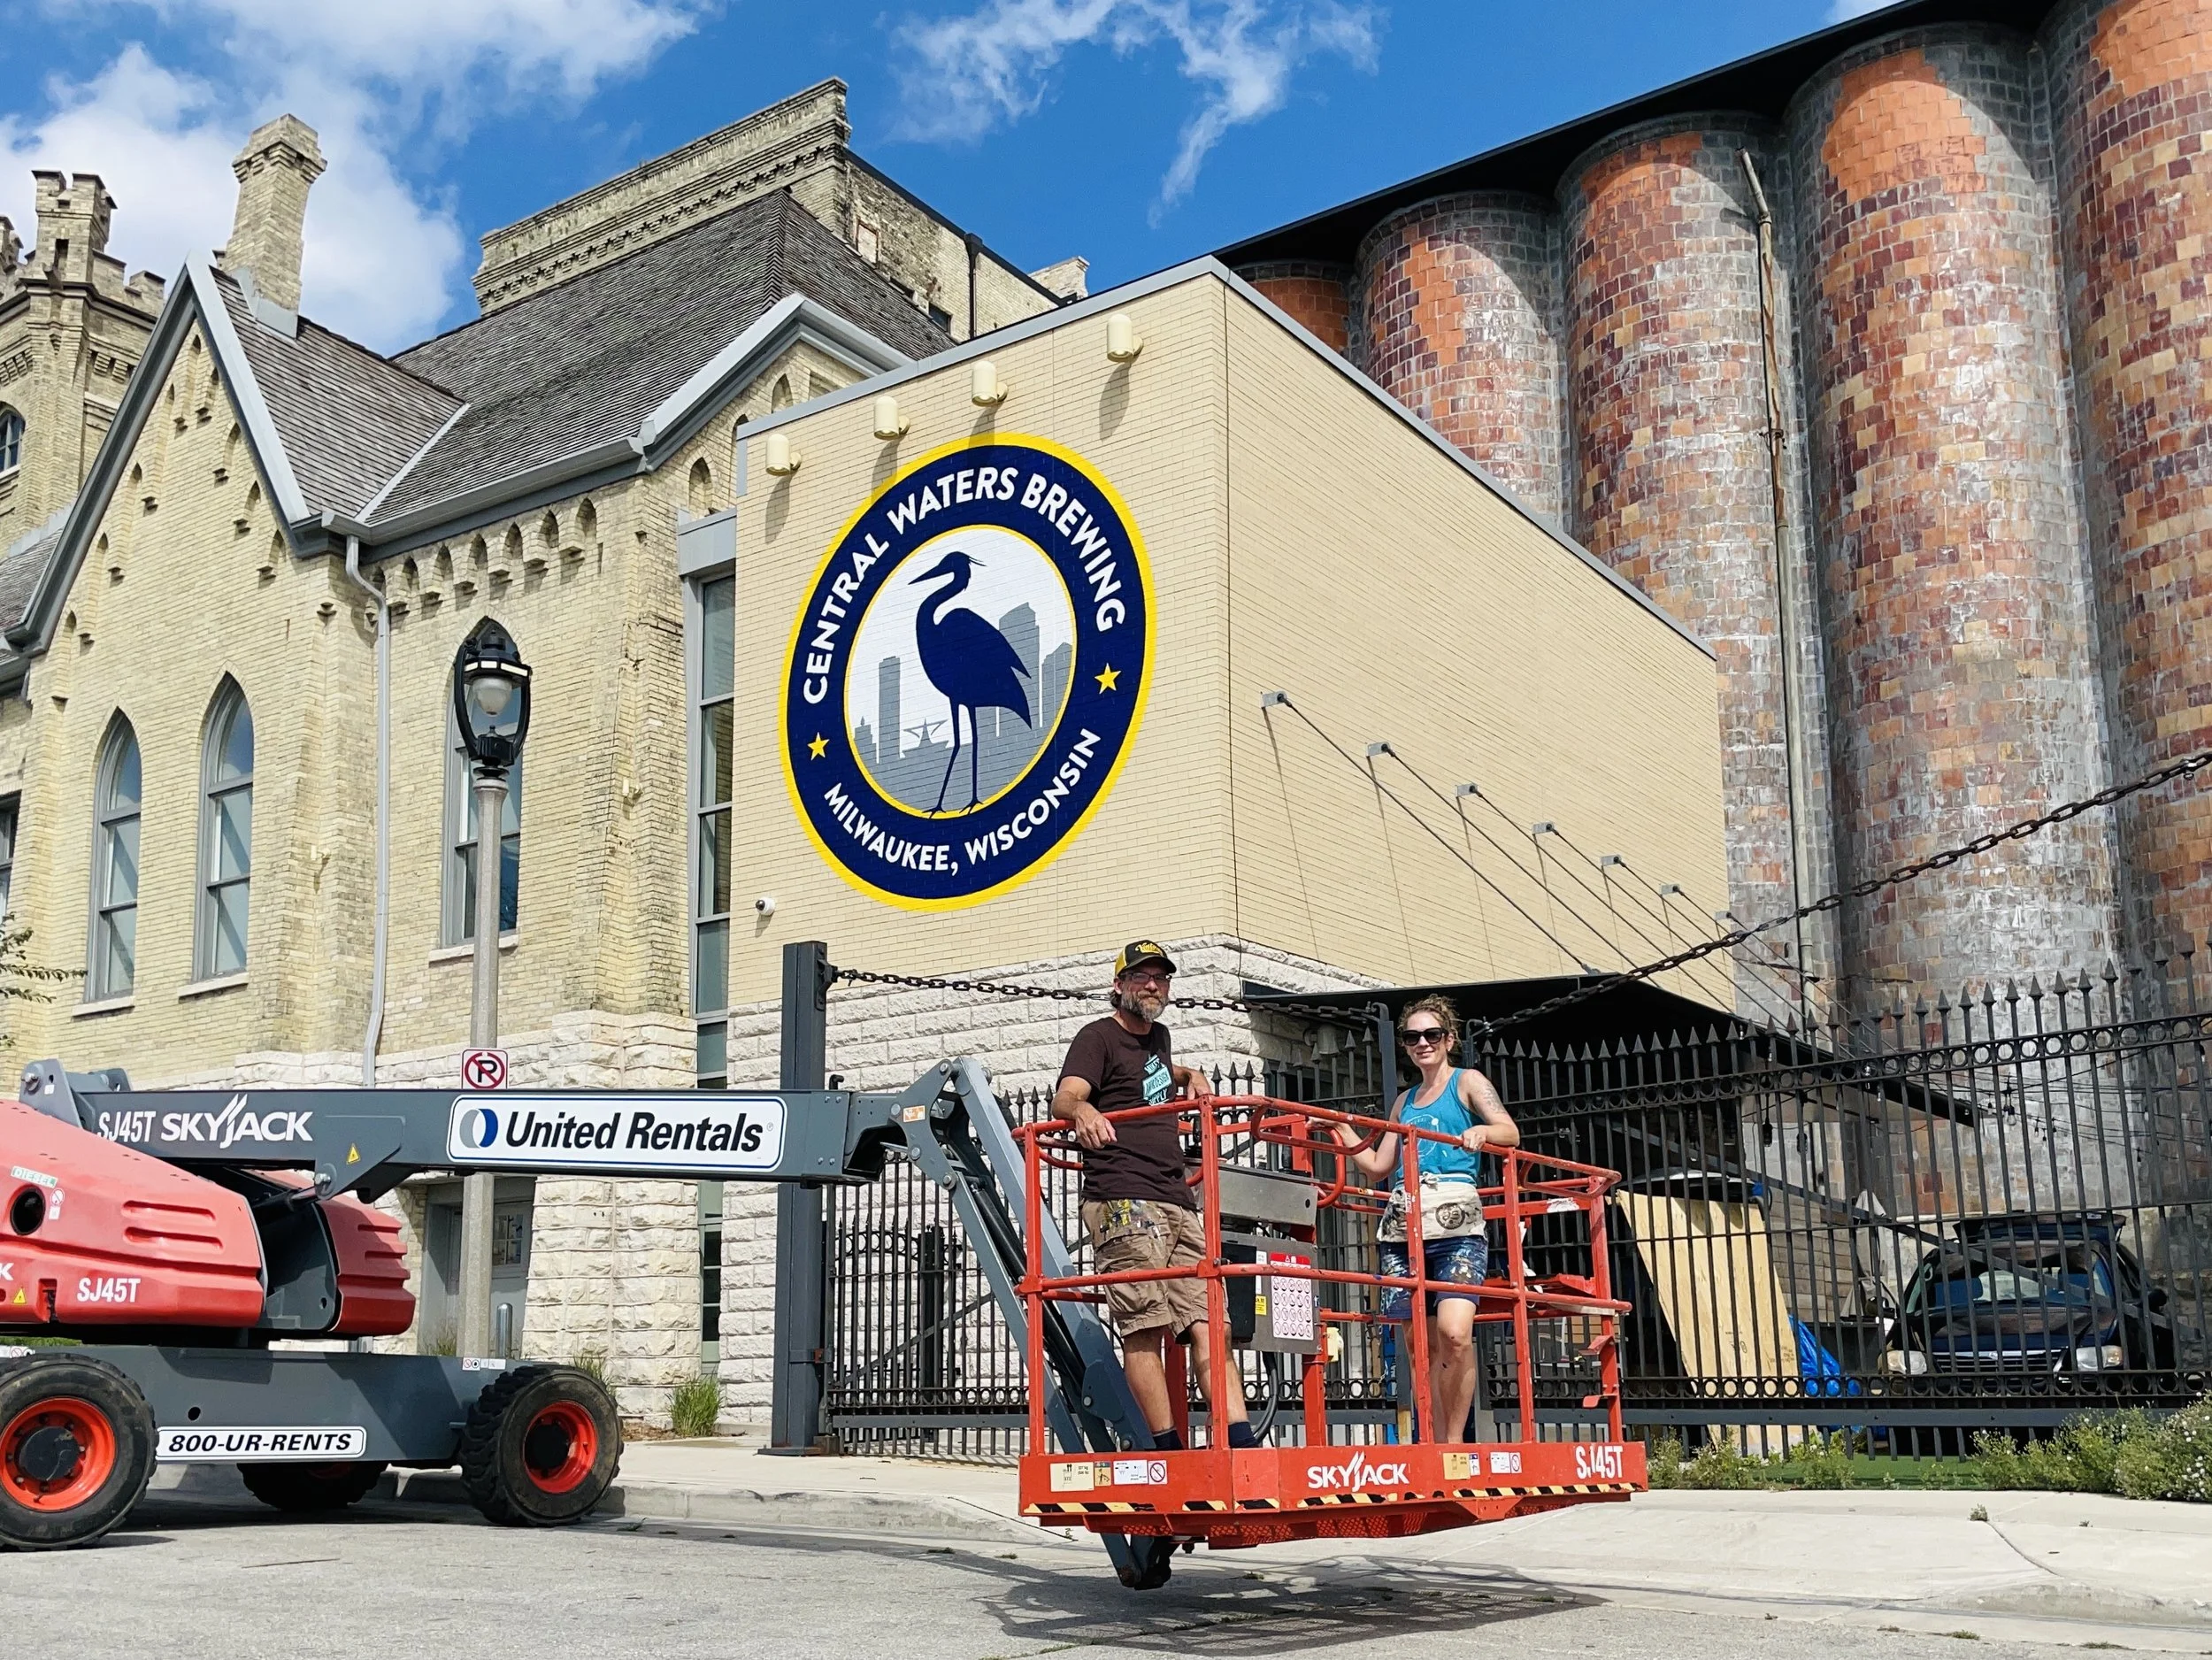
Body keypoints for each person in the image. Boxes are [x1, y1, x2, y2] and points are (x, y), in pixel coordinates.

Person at [1053, 940, 1255, 1459]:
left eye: (1160, 978)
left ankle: (1240, 1446)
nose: (1151, 985)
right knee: (1147, 1324)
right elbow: (1066, 1095)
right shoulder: (1097, 1037)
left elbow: (1156, 1079)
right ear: (1118, 985)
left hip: (1176, 1199)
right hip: (1123, 1196)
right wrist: (1082, 1112)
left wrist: (1189, 1073)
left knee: (1212, 1324)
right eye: (1141, 977)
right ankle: (1167, 1451)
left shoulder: (1159, 1038)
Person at [1332, 994, 1519, 1442]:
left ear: (1448, 1039)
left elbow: (1510, 1131)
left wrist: (1482, 1131)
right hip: (1405, 1222)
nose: (1422, 1043)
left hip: (1455, 1221)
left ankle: (1454, 1442)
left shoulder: (1467, 1081)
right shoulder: (1404, 1101)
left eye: (1431, 1034)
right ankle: (1434, 1441)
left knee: (1454, 1333)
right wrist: (1342, 1130)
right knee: (1419, 1343)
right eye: (1412, 1037)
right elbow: (1380, 1166)